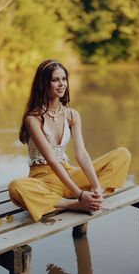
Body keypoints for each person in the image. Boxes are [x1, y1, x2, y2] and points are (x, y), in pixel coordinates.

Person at [8, 60, 131, 222]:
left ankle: (95, 198)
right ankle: (72, 204)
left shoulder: (72, 115)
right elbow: (51, 160)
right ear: (44, 83)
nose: (62, 84)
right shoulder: (33, 119)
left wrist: (96, 187)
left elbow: (81, 153)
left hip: (69, 175)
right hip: (43, 180)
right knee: (16, 187)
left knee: (122, 154)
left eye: (64, 79)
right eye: (55, 80)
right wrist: (79, 195)